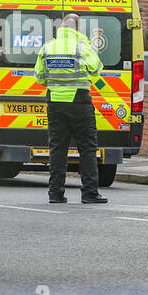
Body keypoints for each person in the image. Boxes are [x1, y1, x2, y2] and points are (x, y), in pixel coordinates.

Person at [33, 12, 106, 204]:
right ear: (78, 29)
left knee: (57, 148)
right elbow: (97, 69)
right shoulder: (83, 47)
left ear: (61, 28)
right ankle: (90, 193)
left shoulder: (48, 48)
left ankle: (55, 193)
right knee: (87, 148)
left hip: (55, 103)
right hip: (80, 103)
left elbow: (39, 77)